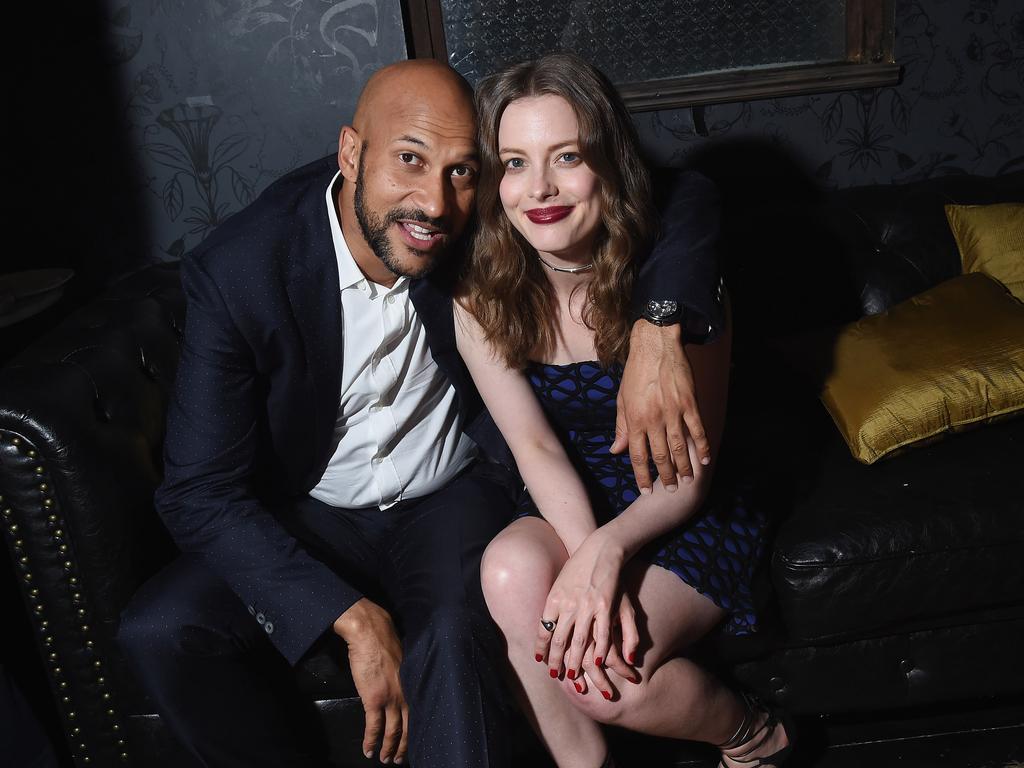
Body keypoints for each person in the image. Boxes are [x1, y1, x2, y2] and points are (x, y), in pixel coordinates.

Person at [116, 59, 726, 768]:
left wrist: (659, 321)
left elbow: (687, 191)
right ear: (351, 153)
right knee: (161, 628)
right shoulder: (244, 270)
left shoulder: (479, 215)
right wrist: (349, 617)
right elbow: (196, 491)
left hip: (449, 497)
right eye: (409, 159)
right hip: (308, 511)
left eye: (462, 171)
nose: (433, 203)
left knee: (452, 632)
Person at [455, 53, 789, 768]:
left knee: (604, 680)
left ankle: (754, 736)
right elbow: (536, 451)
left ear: (608, 162)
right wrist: (586, 558)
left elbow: (689, 474)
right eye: (514, 162)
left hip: (685, 504)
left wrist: (605, 556)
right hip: (576, 499)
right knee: (508, 570)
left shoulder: (677, 284)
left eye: (566, 156)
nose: (538, 188)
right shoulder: (480, 295)